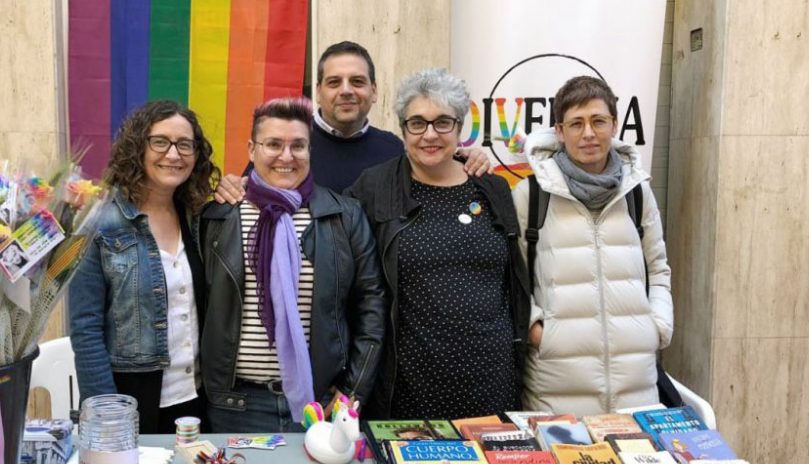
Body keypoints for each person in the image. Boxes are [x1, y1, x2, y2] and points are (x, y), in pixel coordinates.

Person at [347, 68, 531, 420]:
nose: (429, 134)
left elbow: (515, 283)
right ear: (402, 129)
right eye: (417, 123)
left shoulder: (492, 189)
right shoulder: (374, 188)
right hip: (412, 383)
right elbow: (326, 229)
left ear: (460, 128)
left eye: (442, 122)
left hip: (491, 379)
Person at [199, 97, 386, 433]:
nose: (286, 157)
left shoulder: (343, 215)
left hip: (322, 403)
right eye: (273, 144)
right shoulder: (218, 215)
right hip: (235, 407)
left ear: (310, 151)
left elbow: (371, 305)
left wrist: (351, 392)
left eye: (298, 145)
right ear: (251, 149)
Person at [513, 76, 673, 416]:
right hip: (556, 387)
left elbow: (658, 268)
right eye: (576, 123)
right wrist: (539, 333)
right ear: (559, 131)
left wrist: (656, 327)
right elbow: (512, 280)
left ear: (614, 125)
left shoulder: (637, 193)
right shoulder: (532, 195)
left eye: (598, 121)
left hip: (636, 390)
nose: (588, 133)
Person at [69, 100, 218, 434]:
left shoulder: (197, 218)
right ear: (138, 147)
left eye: (185, 144)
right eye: (160, 142)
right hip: (129, 399)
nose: (174, 154)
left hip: (196, 399)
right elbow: (85, 328)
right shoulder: (98, 220)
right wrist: (107, 412)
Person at [213, 41, 491, 201]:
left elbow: (434, 173)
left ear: (374, 91)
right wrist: (230, 186)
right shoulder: (288, 147)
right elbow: (246, 191)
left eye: (357, 81)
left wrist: (464, 158)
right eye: (334, 82)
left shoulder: (394, 149)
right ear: (319, 92)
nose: (346, 90)